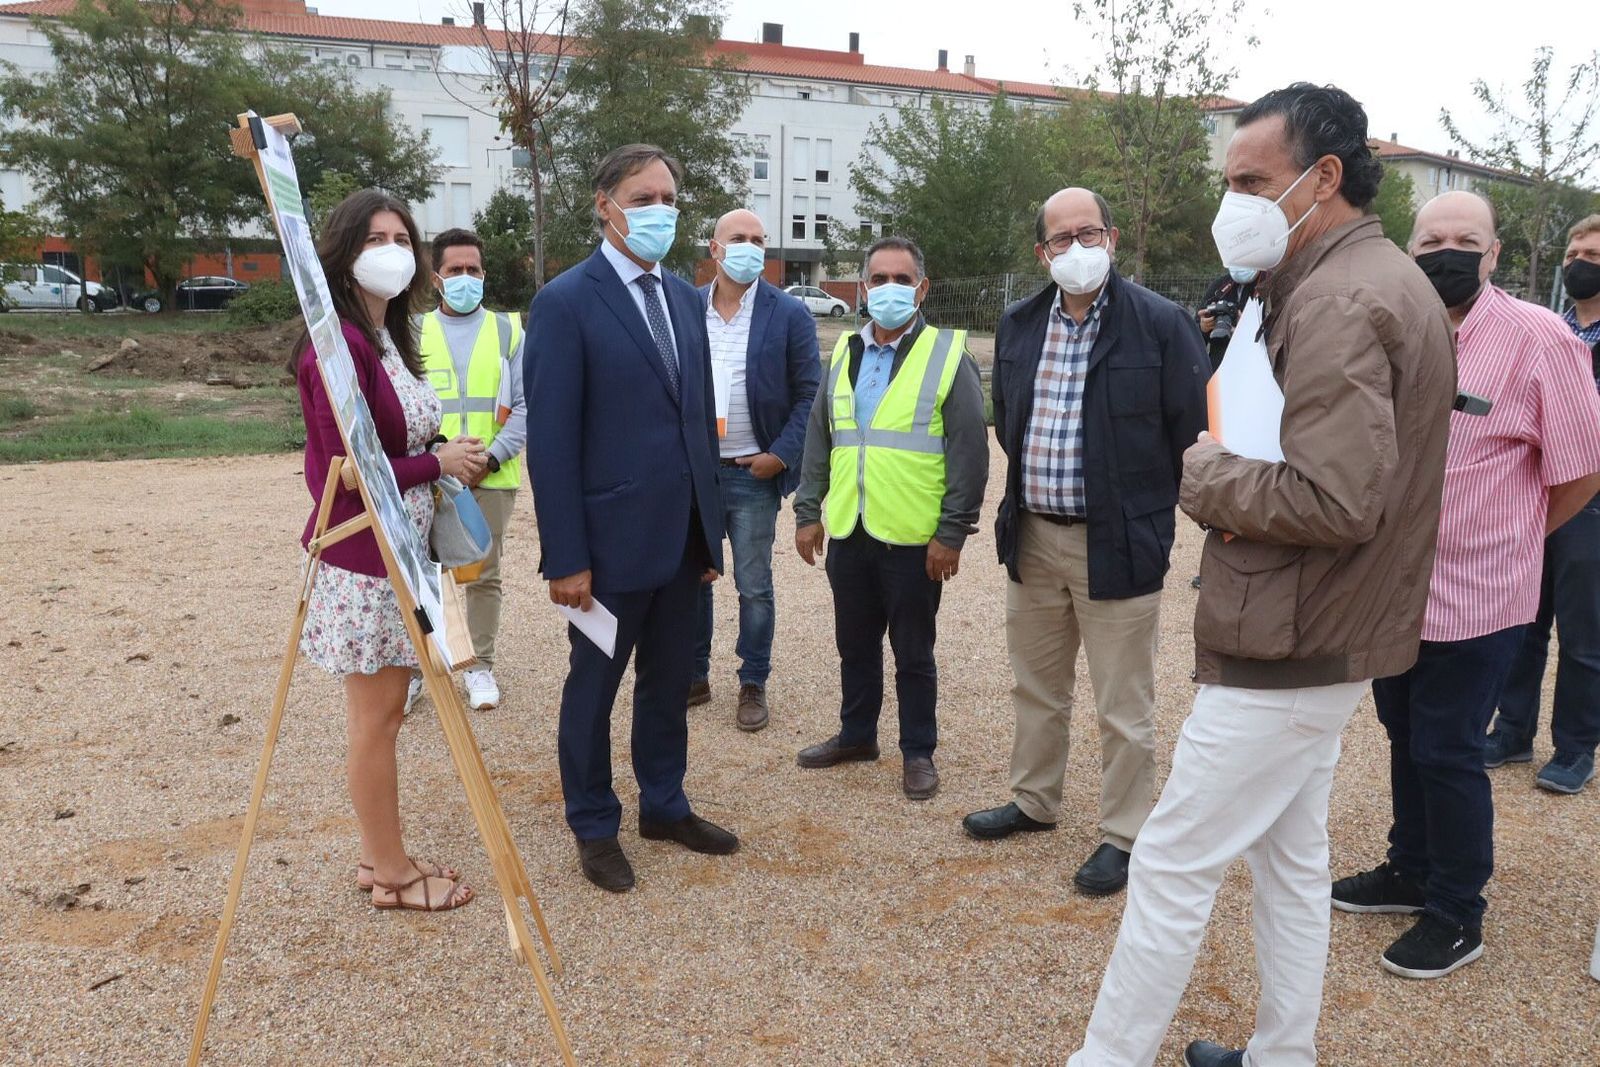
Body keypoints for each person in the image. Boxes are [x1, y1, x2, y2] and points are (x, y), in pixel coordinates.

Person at [1067, 84, 1456, 1067]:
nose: (1231, 201)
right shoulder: (1346, 277)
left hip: (1293, 636)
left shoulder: (1339, 297)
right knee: (1291, 859)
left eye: (1251, 180)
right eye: (1227, 180)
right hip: (1315, 631)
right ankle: (1285, 1050)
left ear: (1322, 177)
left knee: (1169, 857)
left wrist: (1204, 470)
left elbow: (1337, 500)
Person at [1331, 191, 1600, 980]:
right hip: (1391, 588)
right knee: (1402, 731)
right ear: (1409, 248)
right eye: (1431, 238)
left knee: (1450, 748)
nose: (1446, 250)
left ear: (1493, 254)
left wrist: (1515, 536)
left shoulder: (1539, 339)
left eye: (1465, 240)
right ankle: (1409, 865)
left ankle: (1456, 909)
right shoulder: (1391, 326)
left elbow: (1580, 470)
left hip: (1477, 593)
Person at [963, 187, 1207, 898]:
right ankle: (1034, 800)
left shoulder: (1160, 324)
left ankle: (1125, 833)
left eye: (1088, 232)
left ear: (1113, 236)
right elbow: (1007, 418)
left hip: (1120, 543)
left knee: (1122, 703)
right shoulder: (1018, 323)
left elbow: (1190, 433)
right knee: (1035, 686)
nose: (1076, 248)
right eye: (1061, 238)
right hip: (1034, 535)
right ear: (1042, 253)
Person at [524, 144, 736, 893]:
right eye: (644, 197)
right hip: (606, 549)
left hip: (679, 542)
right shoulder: (564, 302)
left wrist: (709, 534)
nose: (660, 211)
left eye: (669, 197)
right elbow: (550, 445)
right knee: (594, 688)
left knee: (669, 679)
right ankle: (592, 821)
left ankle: (664, 802)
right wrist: (565, 557)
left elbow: (697, 426)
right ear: (604, 205)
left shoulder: (685, 297)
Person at [294, 189, 487, 912]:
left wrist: (434, 451)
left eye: (402, 238)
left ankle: (383, 854)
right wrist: (439, 464)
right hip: (367, 553)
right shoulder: (336, 343)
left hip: (399, 545)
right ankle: (389, 870)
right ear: (343, 252)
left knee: (386, 712)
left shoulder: (381, 335)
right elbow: (348, 469)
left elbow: (393, 440)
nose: (391, 251)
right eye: (375, 238)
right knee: (376, 717)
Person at [791, 236, 988, 800]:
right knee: (853, 644)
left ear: (921, 289)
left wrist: (952, 533)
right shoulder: (845, 353)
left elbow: (970, 454)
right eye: (878, 279)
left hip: (913, 537)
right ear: (862, 287)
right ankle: (857, 736)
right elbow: (821, 438)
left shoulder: (948, 355)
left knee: (913, 652)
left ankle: (918, 751)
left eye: (902, 280)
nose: (888, 290)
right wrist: (809, 511)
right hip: (851, 530)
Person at [689, 208, 820, 731]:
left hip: (752, 473)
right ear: (715, 249)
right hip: (696, 473)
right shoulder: (686, 306)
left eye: (758, 240)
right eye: (737, 238)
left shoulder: (788, 313)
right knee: (694, 577)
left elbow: (810, 393)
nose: (749, 247)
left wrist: (781, 455)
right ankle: (694, 674)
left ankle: (753, 680)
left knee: (753, 584)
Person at [1489, 214, 1600, 794]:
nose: (1578, 261)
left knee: (1585, 635)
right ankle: (1512, 731)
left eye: (1593, 252)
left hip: (1593, 502)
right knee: (1524, 621)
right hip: (1536, 489)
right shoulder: (1550, 331)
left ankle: (1577, 748)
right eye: (1573, 251)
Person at [416, 227, 524, 711]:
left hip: (491, 475)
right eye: (455, 270)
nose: (465, 278)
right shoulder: (413, 331)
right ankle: (423, 668)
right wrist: (437, 460)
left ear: (485, 274)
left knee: (482, 574)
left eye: (473, 270)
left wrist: (491, 458)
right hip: (424, 473)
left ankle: (480, 666)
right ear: (436, 277)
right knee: (419, 575)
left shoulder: (510, 330)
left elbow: (528, 405)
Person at [1196, 267, 1259, 371]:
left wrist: (1247, 329)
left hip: (1254, 368)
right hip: (1219, 369)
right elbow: (1194, 338)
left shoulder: (1269, 285)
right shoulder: (1219, 287)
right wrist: (1203, 328)